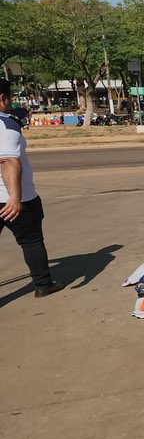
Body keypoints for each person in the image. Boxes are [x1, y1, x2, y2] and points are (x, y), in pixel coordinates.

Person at [0, 78, 64, 298]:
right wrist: (14, 198)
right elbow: (8, 161)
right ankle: (43, 284)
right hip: (16, 200)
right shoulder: (6, 126)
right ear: (2, 98)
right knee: (31, 241)